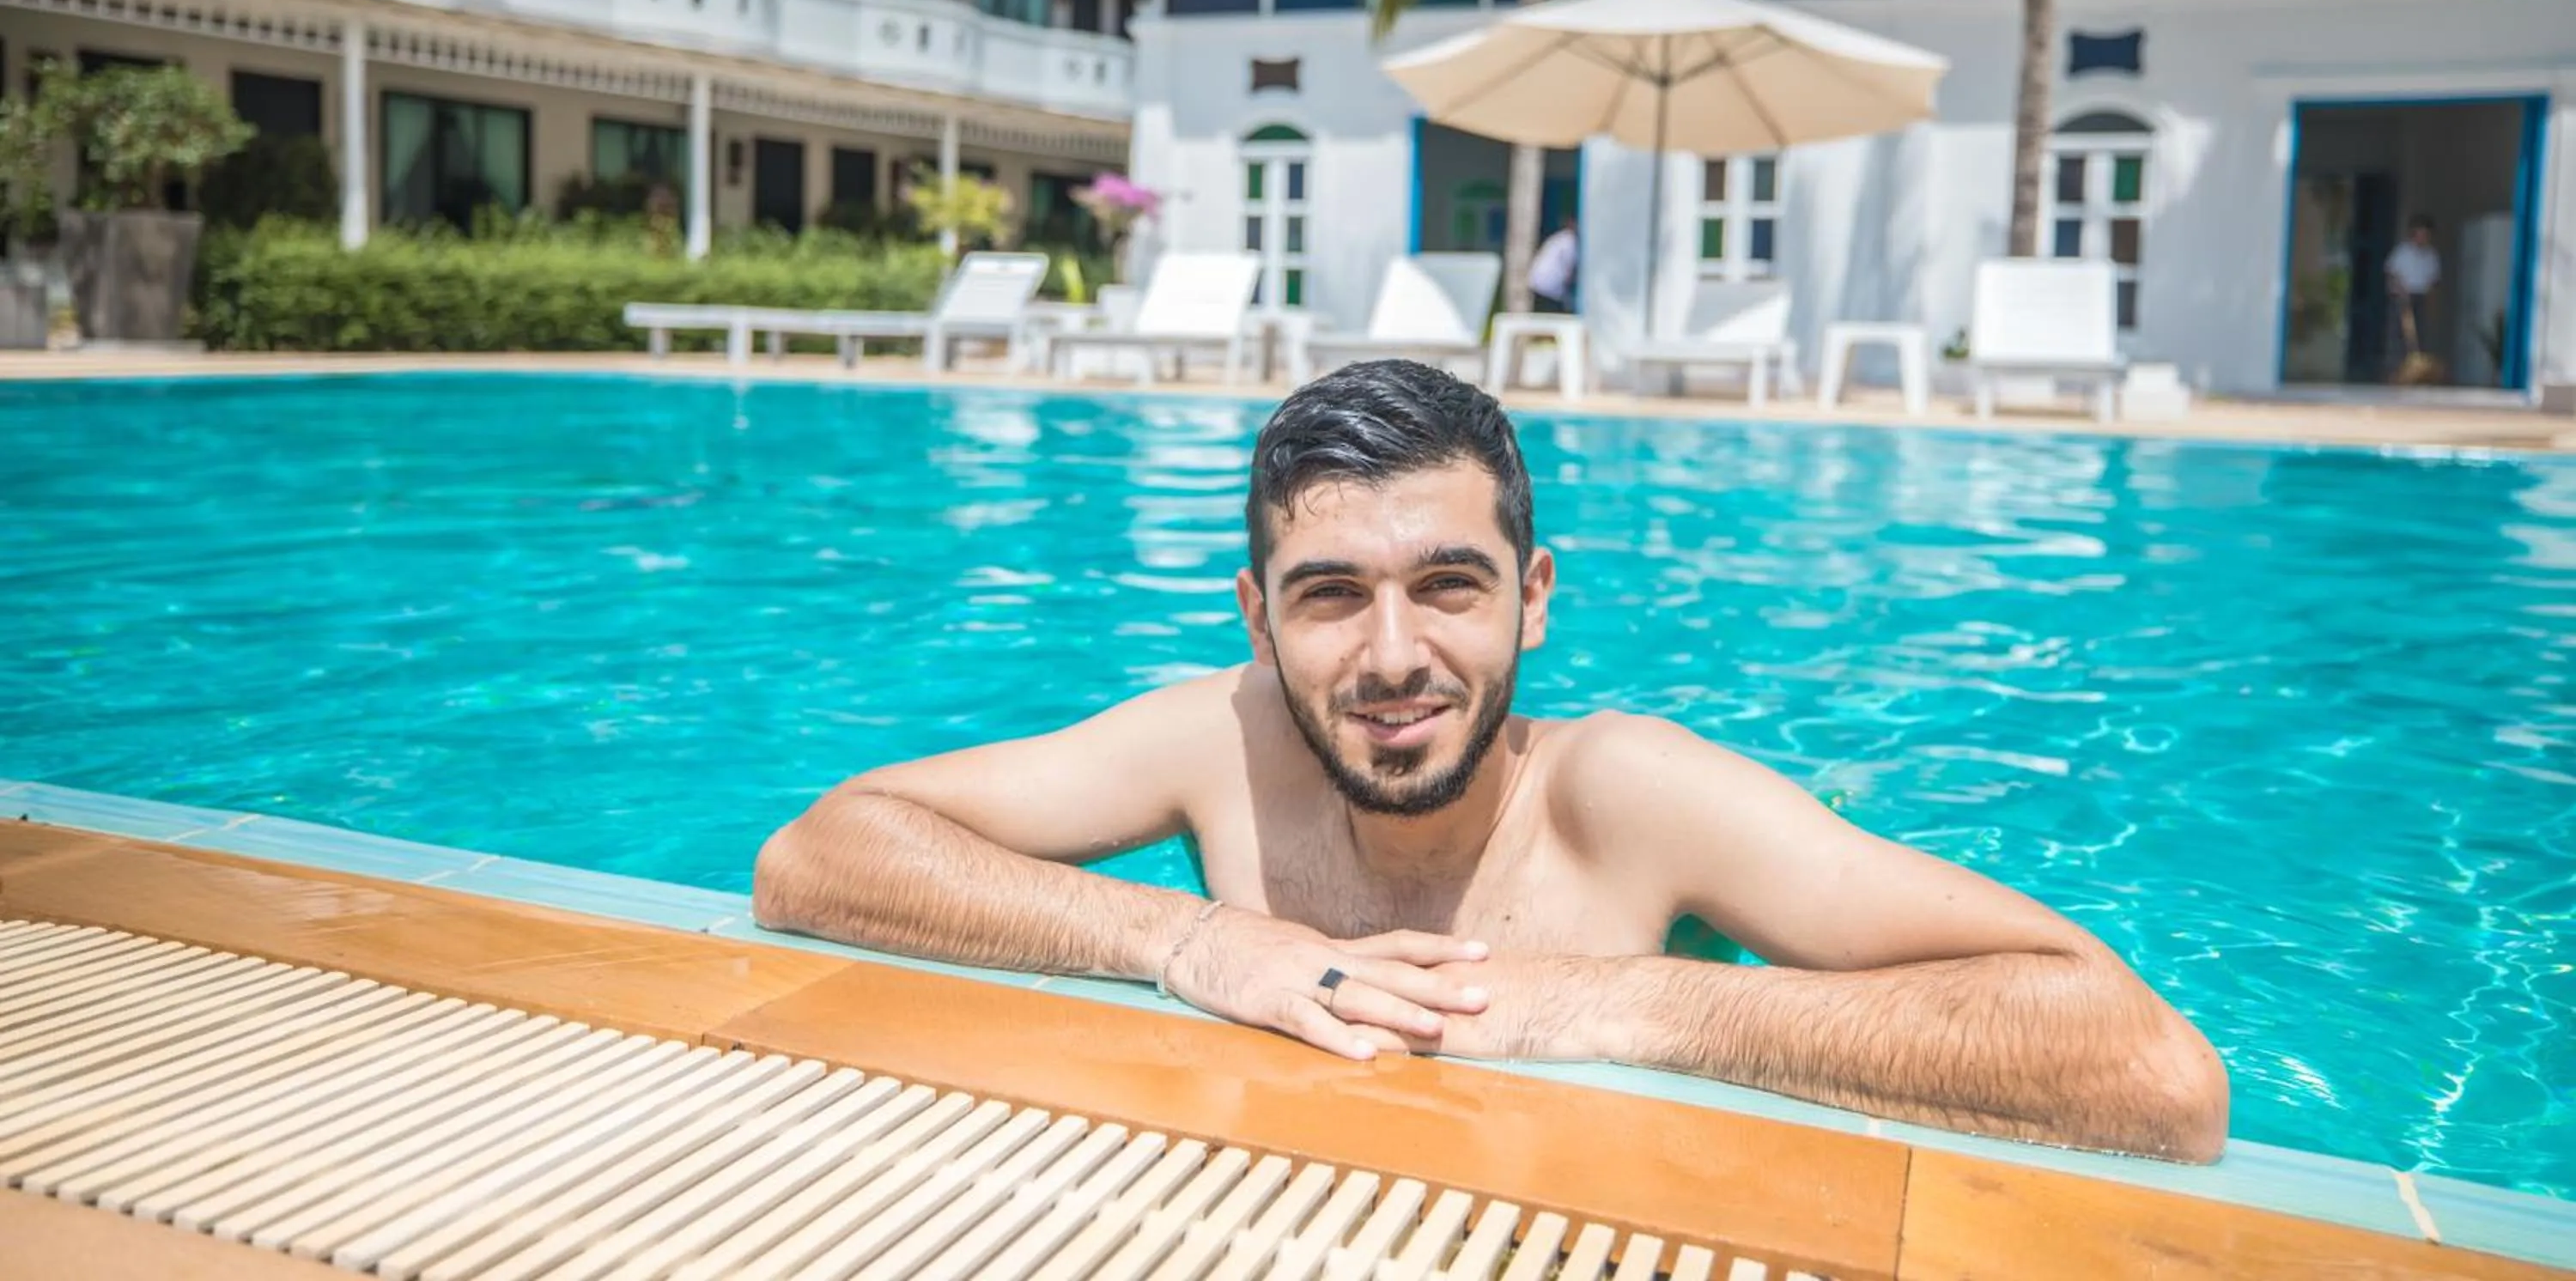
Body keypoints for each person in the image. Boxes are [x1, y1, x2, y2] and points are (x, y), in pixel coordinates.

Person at [755, 360, 2230, 1163]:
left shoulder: (1631, 795)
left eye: (1450, 585)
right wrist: (1202, 943)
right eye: (1331, 595)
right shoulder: (1223, 740)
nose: (1392, 655)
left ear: (1533, 595)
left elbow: (2153, 1067)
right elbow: (813, 856)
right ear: (1258, 615)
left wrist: (1620, 1000)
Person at [2385, 215, 2441, 379]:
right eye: (2420, 233)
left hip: (2421, 297)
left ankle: (2416, 371)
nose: (2423, 238)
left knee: (2418, 335)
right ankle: (2395, 371)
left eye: (2426, 234)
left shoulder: (2431, 255)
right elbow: (2392, 273)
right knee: (2399, 334)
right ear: (2413, 233)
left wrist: (2431, 300)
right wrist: (2401, 292)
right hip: (2402, 295)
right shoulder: (2402, 252)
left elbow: (2434, 280)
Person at [1528, 219, 1578, 314]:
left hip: (1538, 283)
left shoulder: (1561, 237)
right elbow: (1569, 271)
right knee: (1552, 317)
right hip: (1549, 287)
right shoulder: (1569, 240)